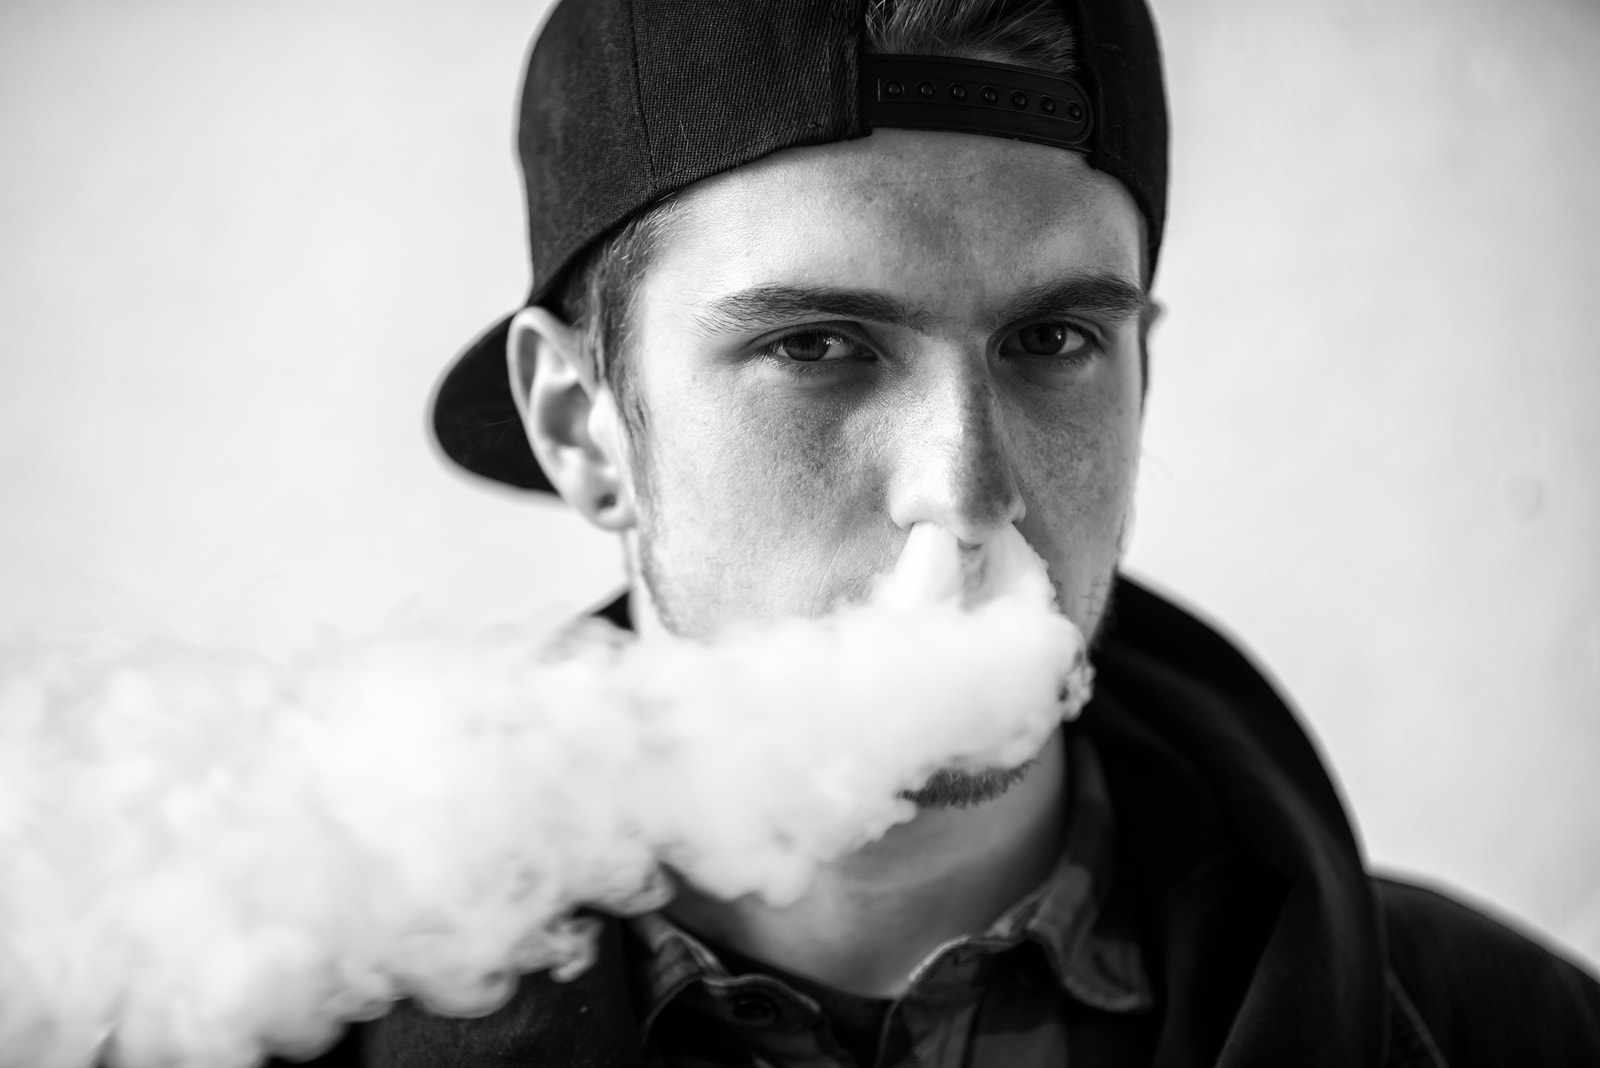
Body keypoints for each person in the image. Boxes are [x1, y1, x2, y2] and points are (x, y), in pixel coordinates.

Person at [302, 1, 1600, 1065]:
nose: (964, 490)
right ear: (583, 424)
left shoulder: (1514, 1038)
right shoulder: (270, 1031)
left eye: (1053, 341)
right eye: (816, 347)